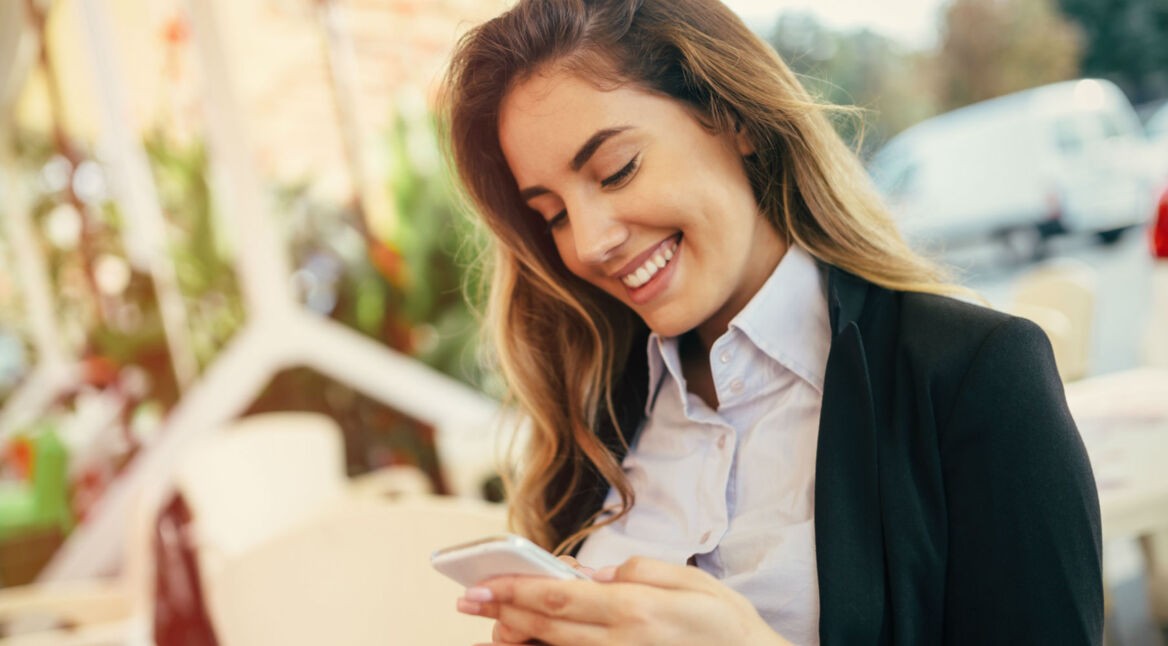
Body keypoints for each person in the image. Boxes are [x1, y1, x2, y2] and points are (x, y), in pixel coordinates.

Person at [440, 0, 1103, 644]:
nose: (587, 242)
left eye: (616, 171)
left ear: (735, 118)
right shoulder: (594, 418)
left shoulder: (974, 376)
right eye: (552, 213)